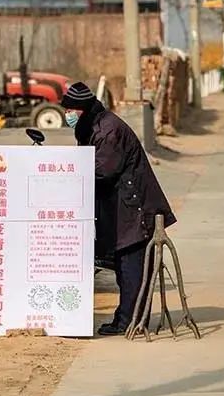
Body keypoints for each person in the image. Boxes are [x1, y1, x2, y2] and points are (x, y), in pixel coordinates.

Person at [61, 81, 176, 336]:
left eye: (70, 111)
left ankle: (130, 320)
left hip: (133, 208)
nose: (67, 116)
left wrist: (68, 177)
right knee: (125, 265)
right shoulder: (92, 126)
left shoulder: (107, 130)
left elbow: (103, 171)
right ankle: (131, 317)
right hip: (122, 206)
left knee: (130, 266)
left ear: (82, 109)